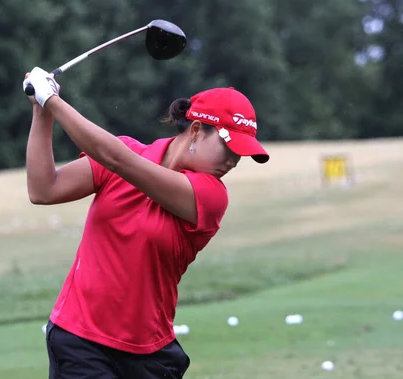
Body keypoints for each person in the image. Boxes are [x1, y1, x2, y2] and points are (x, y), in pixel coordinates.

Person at [22, 67, 269, 379]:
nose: (234, 161)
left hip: (150, 356)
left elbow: (118, 160)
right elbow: (43, 189)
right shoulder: (128, 153)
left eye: (241, 154)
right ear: (195, 130)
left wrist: (52, 100)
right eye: (229, 147)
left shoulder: (210, 195)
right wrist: (40, 108)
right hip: (79, 339)